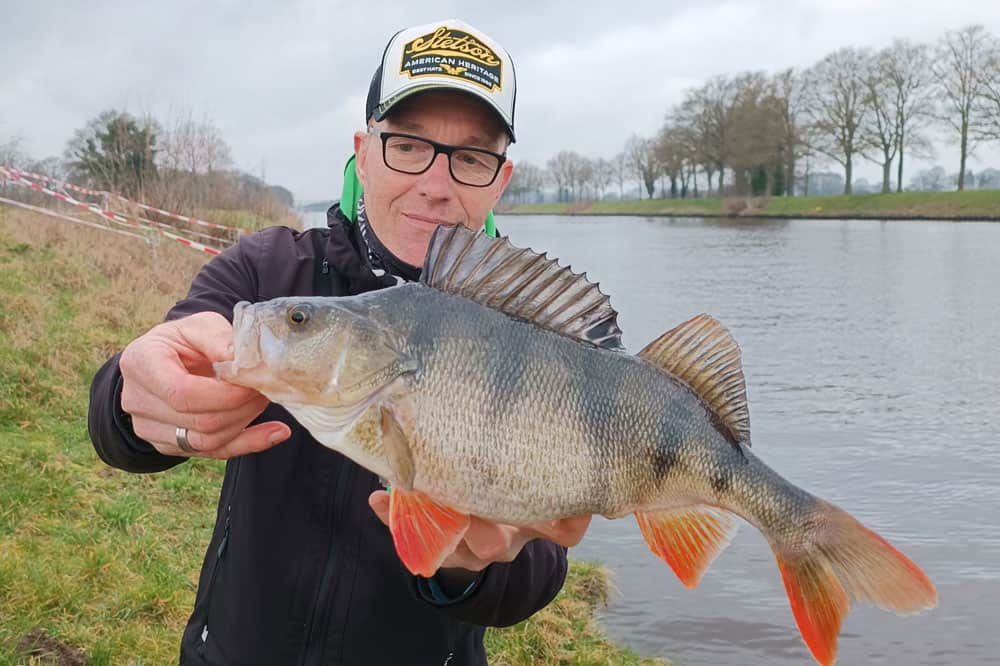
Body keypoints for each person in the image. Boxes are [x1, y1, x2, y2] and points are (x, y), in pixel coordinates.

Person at [88, 18, 591, 666]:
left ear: (501, 179)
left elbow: (539, 571)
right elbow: (119, 416)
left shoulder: (533, 326)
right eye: (408, 145)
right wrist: (135, 399)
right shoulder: (270, 276)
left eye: (470, 157)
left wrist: (465, 570)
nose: (436, 185)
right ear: (364, 148)